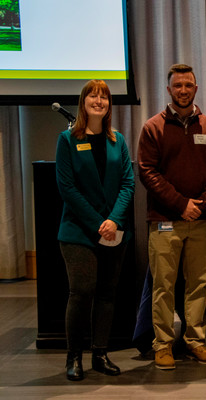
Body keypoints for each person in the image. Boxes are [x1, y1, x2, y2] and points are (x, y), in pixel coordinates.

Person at [138, 63, 206, 370]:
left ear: (196, 88)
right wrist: (181, 205)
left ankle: (195, 342)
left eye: (188, 85)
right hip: (164, 220)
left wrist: (200, 205)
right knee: (163, 285)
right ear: (169, 90)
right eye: (177, 85)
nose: (183, 90)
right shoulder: (153, 128)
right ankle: (162, 344)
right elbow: (148, 173)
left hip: (202, 221)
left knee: (199, 284)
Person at [56, 80, 135, 381]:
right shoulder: (68, 140)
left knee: (106, 294)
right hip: (78, 231)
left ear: (109, 105)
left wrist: (113, 221)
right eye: (93, 95)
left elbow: (128, 183)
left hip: (114, 231)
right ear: (83, 102)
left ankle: (100, 354)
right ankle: (74, 355)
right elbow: (67, 188)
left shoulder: (119, 140)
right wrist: (97, 223)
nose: (99, 100)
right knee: (82, 292)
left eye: (104, 96)